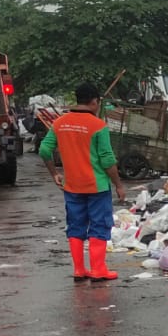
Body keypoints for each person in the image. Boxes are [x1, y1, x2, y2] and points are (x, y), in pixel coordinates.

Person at [38, 83, 127, 281]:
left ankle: (79, 270)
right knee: (99, 225)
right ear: (95, 101)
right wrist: (119, 185)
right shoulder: (98, 126)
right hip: (97, 187)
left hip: (72, 186)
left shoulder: (60, 123)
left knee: (75, 226)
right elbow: (107, 159)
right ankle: (98, 270)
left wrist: (54, 174)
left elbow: (44, 150)